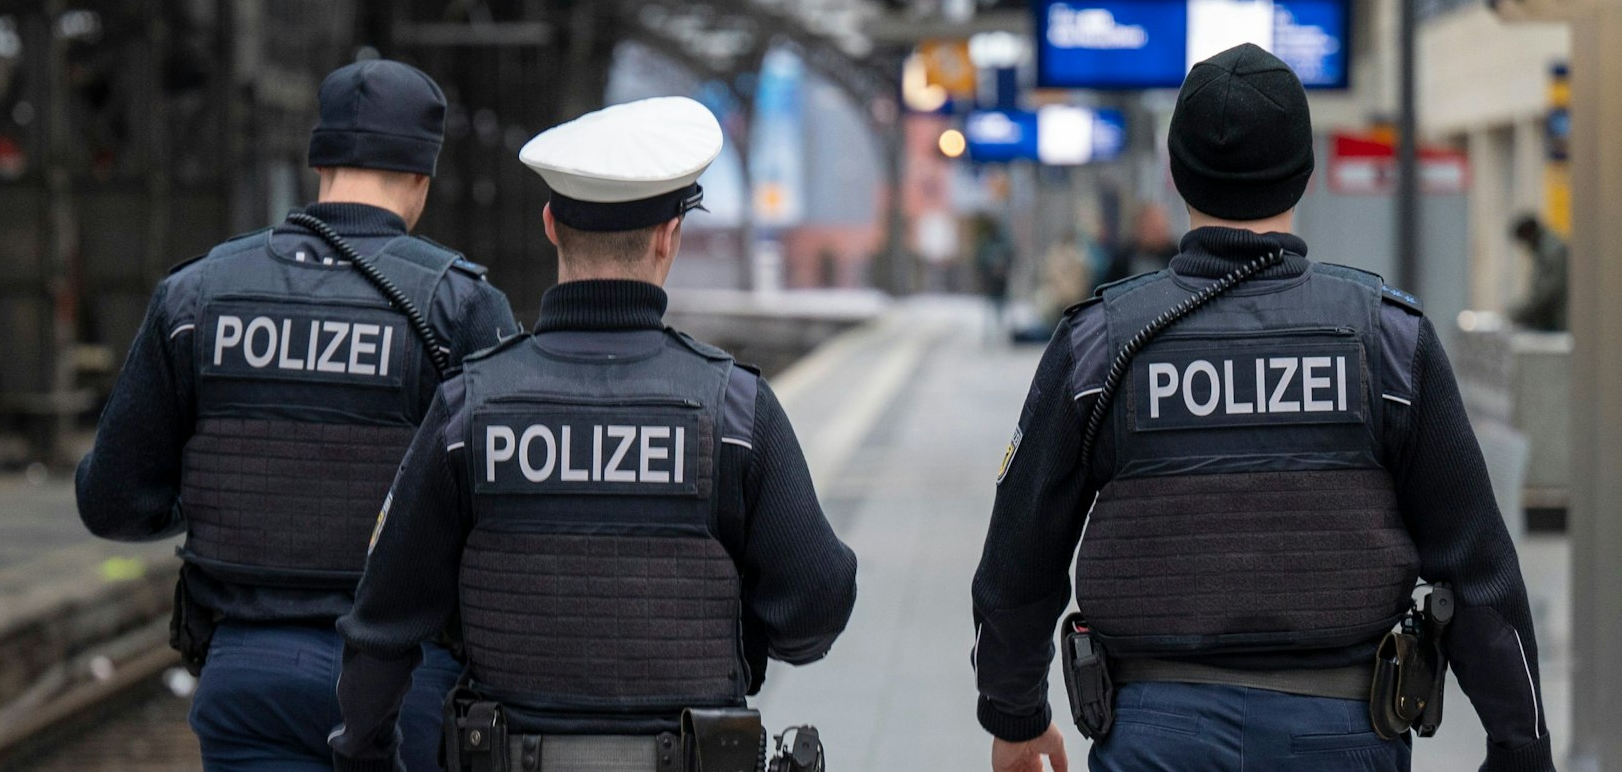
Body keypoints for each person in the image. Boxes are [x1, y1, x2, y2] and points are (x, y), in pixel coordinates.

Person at [972, 45, 1555, 772]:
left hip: (1155, 739)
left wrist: (1016, 716)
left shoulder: (1100, 344)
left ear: (1176, 173)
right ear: (1302, 172)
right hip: (1345, 735)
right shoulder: (1387, 340)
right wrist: (1520, 743)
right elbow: (1478, 568)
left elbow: (1019, 555)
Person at [329, 96, 858, 772]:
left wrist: (364, 753)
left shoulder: (468, 408)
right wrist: (731, 632)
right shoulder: (735, 410)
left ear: (551, 225)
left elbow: (383, 623)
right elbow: (815, 607)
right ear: (669, 236)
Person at [76, 59, 518, 772]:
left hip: (246, 675)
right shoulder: (460, 305)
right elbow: (509, 518)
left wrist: (217, 498)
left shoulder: (197, 295)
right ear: (421, 178)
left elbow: (112, 501)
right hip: (405, 686)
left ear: (319, 165)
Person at [1509, 214, 1568, 332]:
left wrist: (1522, 312)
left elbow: (1549, 291)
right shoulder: (1544, 248)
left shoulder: (1553, 250)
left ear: (1528, 233)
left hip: (1557, 321)